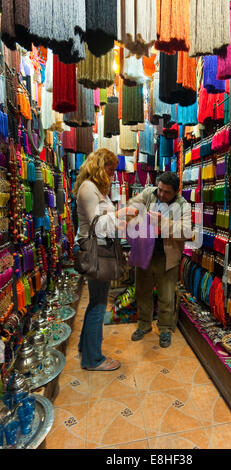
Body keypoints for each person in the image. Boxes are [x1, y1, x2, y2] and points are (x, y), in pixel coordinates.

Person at [73, 148, 137, 371]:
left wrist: (121, 219)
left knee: (95, 302)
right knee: (98, 305)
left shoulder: (94, 189)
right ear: (100, 166)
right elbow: (98, 225)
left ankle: (86, 347)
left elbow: (103, 222)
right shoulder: (89, 188)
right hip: (97, 252)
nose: (112, 174)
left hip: (101, 250)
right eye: (110, 169)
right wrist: (121, 214)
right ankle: (93, 359)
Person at [128, 172, 192, 348]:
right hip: (144, 255)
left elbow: (186, 232)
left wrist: (163, 222)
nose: (162, 194)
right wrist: (137, 215)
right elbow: (131, 205)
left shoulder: (183, 205)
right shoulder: (150, 193)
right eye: (160, 190)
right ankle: (144, 325)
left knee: (166, 296)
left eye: (167, 192)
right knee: (142, 292)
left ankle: (164, 328)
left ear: (176, 192)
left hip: (167, 258)